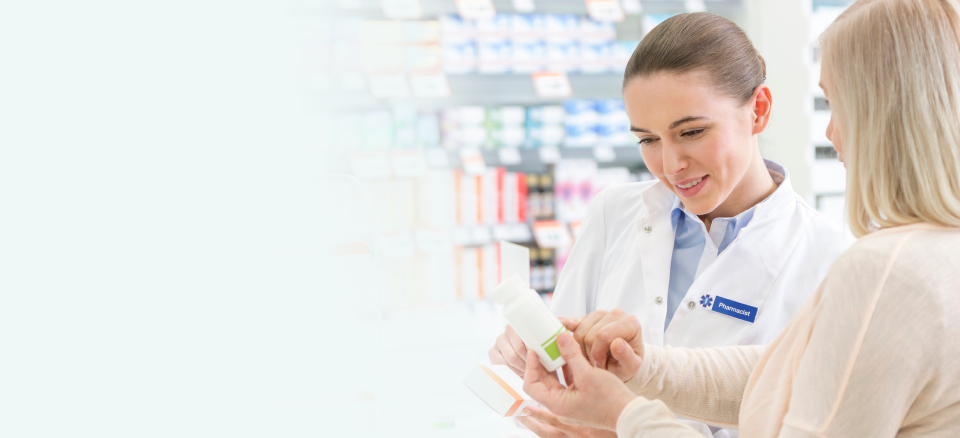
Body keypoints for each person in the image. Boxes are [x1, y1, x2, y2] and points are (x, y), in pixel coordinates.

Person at [521, 0, 960, 436]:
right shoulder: (930, 255)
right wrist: (646, 367)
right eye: (648, 139)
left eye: (834, 105)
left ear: (759, 110)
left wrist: (625, 417)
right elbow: (785, 373)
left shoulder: (877, 269)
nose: (831, 133)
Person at [488, 12, 851, 438]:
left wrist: (624, 426)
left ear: (759, 110)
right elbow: (566, 384)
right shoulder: (613, 214)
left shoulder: (830, 260)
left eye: (692, 132)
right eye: (647, 139)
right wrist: (533, 350)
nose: (670, 165)